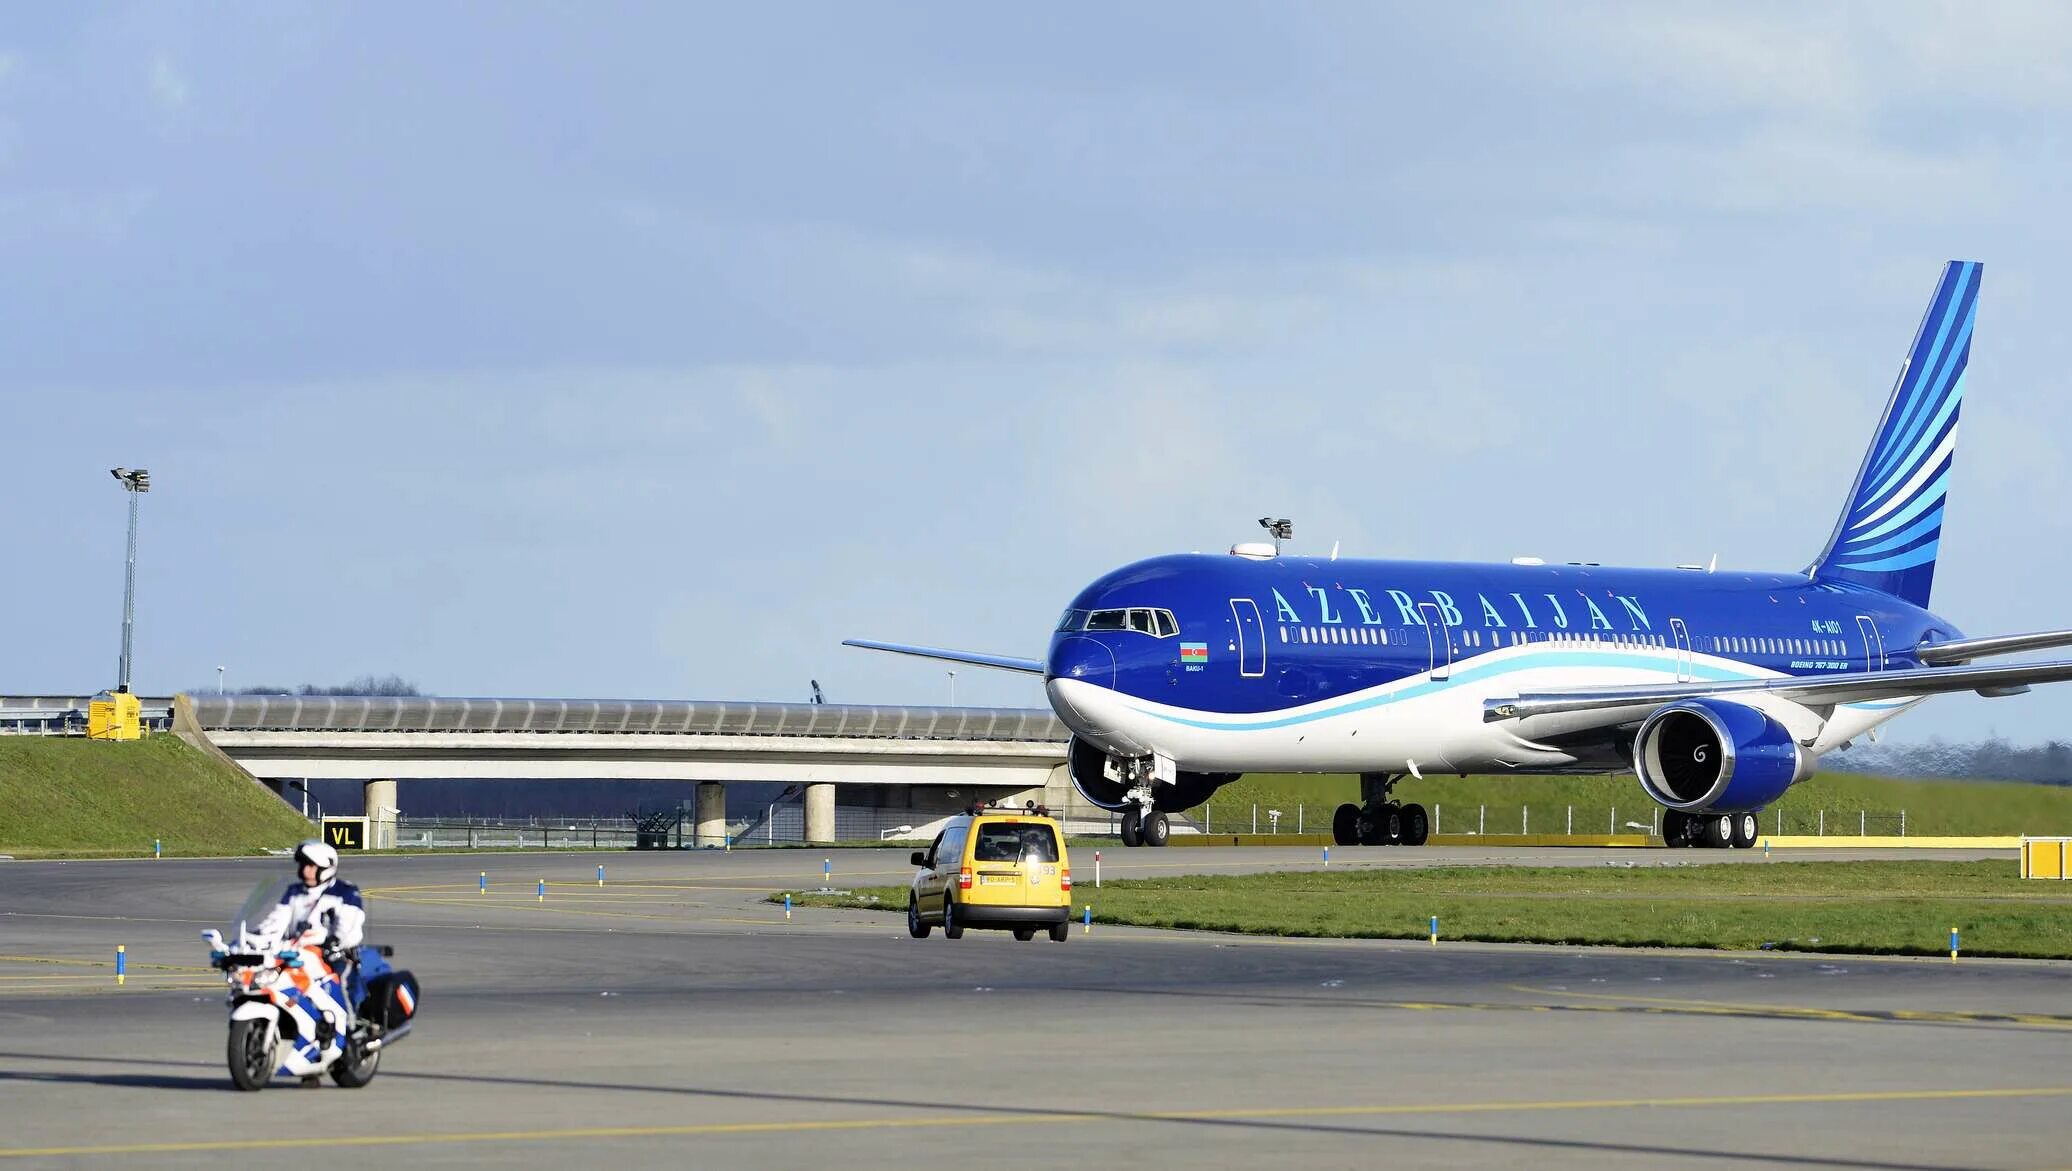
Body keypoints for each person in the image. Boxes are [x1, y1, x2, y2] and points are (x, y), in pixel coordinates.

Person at [253, 840, 367, 1046]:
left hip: (334, 954)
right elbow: (276, 920)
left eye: (312, 866)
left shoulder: (345, 892)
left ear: (326, 868)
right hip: (297, 953)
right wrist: (257, 936)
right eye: (304, 865)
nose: (306, 871)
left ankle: (351, 1032)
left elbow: (349, 924)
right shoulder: (294, 892)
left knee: (339, 985)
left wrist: (335, 942)